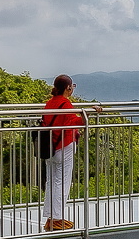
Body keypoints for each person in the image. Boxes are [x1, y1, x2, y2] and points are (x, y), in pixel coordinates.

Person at [40, 75, 101, 231]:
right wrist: (90, 112)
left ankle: (50, 218)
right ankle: (58, 220)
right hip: (63, 146)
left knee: (52, 182)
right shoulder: (65, 103)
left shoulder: (50, 103)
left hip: (50, 148)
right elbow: (76, 122)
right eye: (72, 85)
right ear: (68, 88)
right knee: (62, 182)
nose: (73, 88)